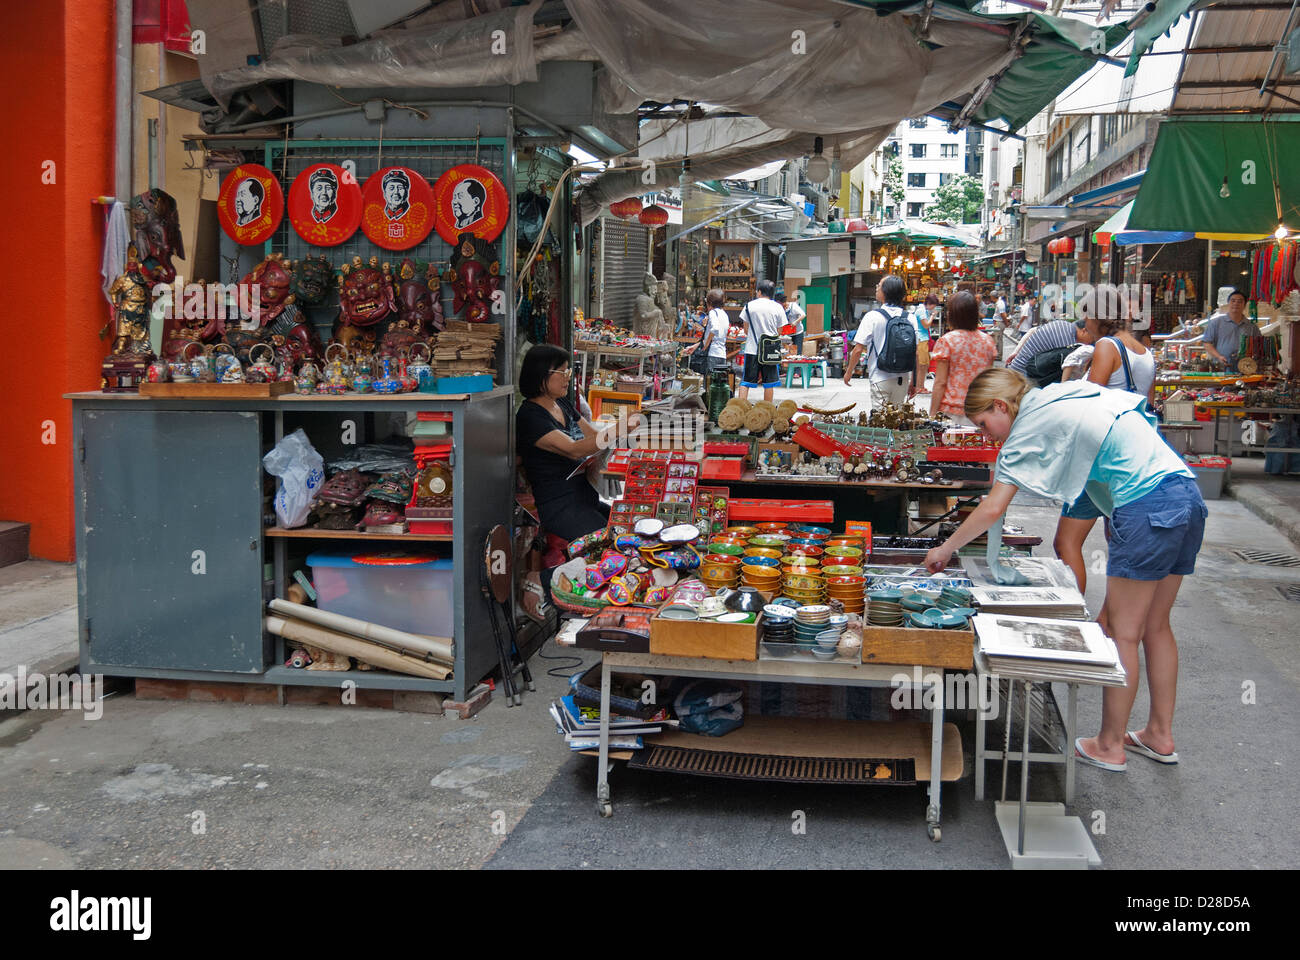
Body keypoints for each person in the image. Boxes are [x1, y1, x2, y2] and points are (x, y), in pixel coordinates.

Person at [924, 368, 1207, 772]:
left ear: (1001, 406)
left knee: (1123, 632)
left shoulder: (1026, 427)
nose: (988, 436)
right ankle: (1159, 735)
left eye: (985, 425)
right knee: (1156, 626)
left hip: (1145, 506)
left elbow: (992, 507)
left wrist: (945, 549)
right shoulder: (1064, 395)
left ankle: (1110, 745)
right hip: (1185, 494)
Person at [515, 344, 642, 620]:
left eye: (567, 371)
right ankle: (542, 579)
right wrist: (619, 428)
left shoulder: (562, 405)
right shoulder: (530, 416)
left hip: (584, 496)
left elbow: (591, 437)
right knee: (610, 549)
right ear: (541, 376)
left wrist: (616, 439)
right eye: (561, 372)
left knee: (628, 532)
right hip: (558, 504)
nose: (567, 377)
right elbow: (574, 449)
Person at [1053, 318, 1158, 596]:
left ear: (1099, 317)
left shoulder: (1106, 346)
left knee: (1067, 542)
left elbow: (1092, 402)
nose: (1084, 323)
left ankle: (1073, 612)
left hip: (1100, 457)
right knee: (1119, 545)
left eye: (1087, 316)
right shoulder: (1145, 353)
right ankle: (1116, 617)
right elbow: (1148, 402)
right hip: (1132, 456)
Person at [843, 275, 925, 409]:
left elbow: (858, 350)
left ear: (887, 291)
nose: (876, 288)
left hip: (879, 377)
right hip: (902, 379)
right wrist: (913, 382)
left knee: (880, 424)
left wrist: (849, 372)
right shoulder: (910, 318)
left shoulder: (872, 316)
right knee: (897, 421)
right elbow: (915, 353)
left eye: (879, 286)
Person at [929, 291, 996, 426]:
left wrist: (932, 415)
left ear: (953, 315)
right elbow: (988, 380)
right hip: (980, 409)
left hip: (952, 412)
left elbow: (940, 382)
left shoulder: (947, 341)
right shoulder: (988, 341)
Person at [737, 278, 785, 402]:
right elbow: (779, 331)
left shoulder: (749, 306)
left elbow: (746, 329)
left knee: (746, 381)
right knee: (769, 383)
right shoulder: (778, 307)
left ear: (759, 292)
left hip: (752, 349)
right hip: (770, 352)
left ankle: (740, 408)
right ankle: (767, 410)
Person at [1005, 316, 1097, 381]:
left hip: (1019, 369)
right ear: (1084, 331)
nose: (1091, 342)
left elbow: (1032, 330)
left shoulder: (1063, 325)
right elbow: (1066, 367)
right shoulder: (1067, 338)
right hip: (1022, 376)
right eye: (1093, 338)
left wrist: (1016, 352)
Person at [1201, 289, 1261, 371]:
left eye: (1240, 301)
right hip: (1221, 367)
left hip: (1245, 368)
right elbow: (1207, 343)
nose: (1236, 303)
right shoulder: (1216, 323)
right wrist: (1219, 356)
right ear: (1228, 303)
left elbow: (1258, 346)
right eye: (1233, 301)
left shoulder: (1251, 327)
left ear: (1244, 305)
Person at [683, 288, 730, 376]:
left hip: (712, 354)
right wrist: (695, 346)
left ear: (709, 303)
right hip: (721, 354)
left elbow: (714, 329)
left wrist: (706, 345)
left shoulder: (713, 313)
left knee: (709, 383)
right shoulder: (724, 314)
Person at [783, 291, 807, 356]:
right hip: (788, 333)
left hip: (797, 332)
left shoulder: (793, 306)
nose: (783, 307)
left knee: (797, 353)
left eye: (784, 305)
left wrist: (795, 322)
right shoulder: (781, 308)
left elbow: (803, 315)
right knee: (788, 352)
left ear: (785, 302)